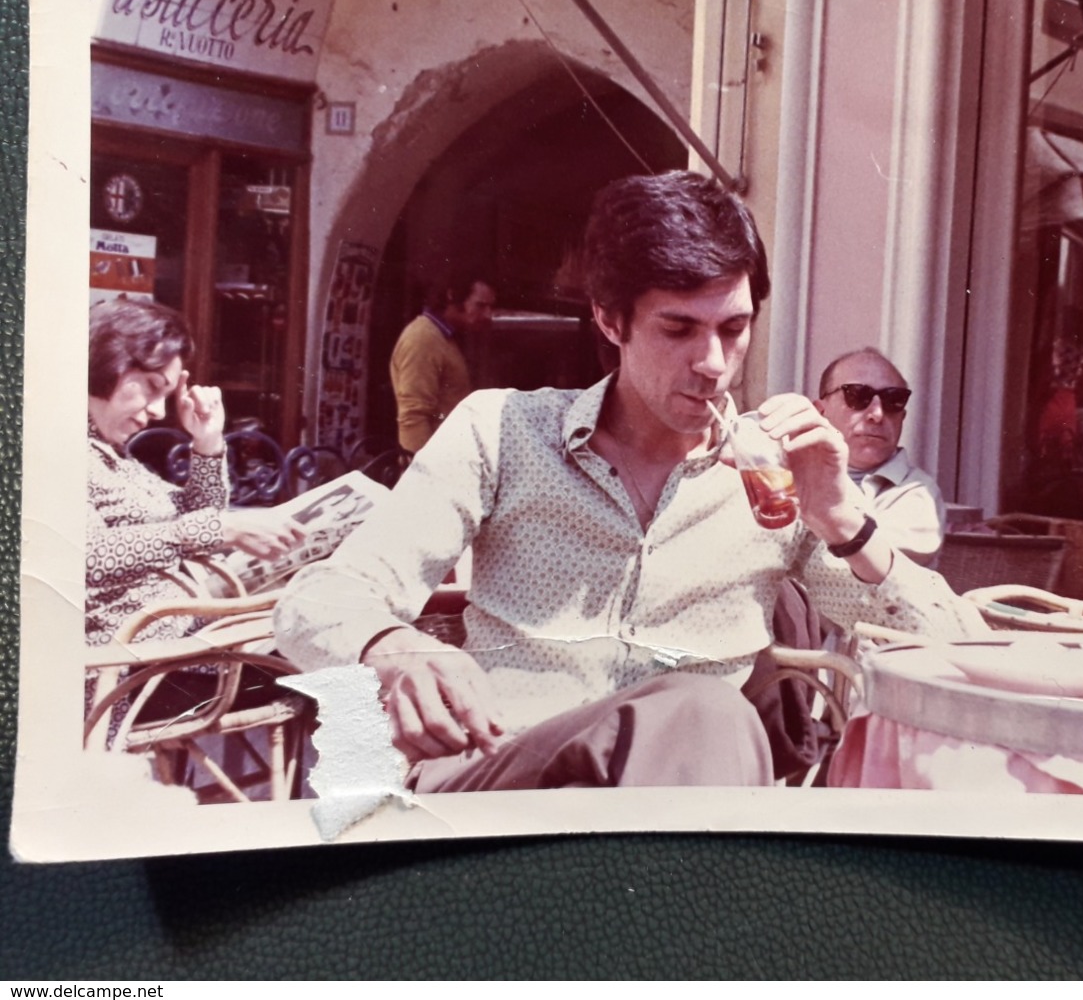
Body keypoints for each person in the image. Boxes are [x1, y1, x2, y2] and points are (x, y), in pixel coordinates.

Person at [276, 170, 980, 792]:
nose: (713, 362)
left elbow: (952, 640)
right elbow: (319, 596)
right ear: (610, 321)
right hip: (502, 787)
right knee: (708, 711)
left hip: (669, 810)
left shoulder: (777, 475)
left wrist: (840, 517)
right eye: (679, 330)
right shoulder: (503, 433)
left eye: (734, 330)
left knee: (707, 719)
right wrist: (393, 649)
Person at [86, 300, 304, 719]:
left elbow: (194, 522)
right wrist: (217, 530)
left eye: (166, 394)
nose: (158, 412)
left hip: (178, 650)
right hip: (130, 676)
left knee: (337, 646)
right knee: (341, 665)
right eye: (151, 386)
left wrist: (206, 443)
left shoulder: (111, 453)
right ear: (107, 361)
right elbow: (85, 554)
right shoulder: (56, 445)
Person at [815, 347, 945, 566]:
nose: (877, 414)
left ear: (902, 417)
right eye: (858, 396)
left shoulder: (918, 494)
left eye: (893, 400)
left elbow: (867, 572)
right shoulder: (784, 470)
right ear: (820, 411)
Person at [389, 269, 498, 454]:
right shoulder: (423, 338)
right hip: (432, 468)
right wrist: (423, 473)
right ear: (452, 296)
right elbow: (413, 414)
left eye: (490, 307)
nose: (488, 314)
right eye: (480, 306)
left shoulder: (443, 338)